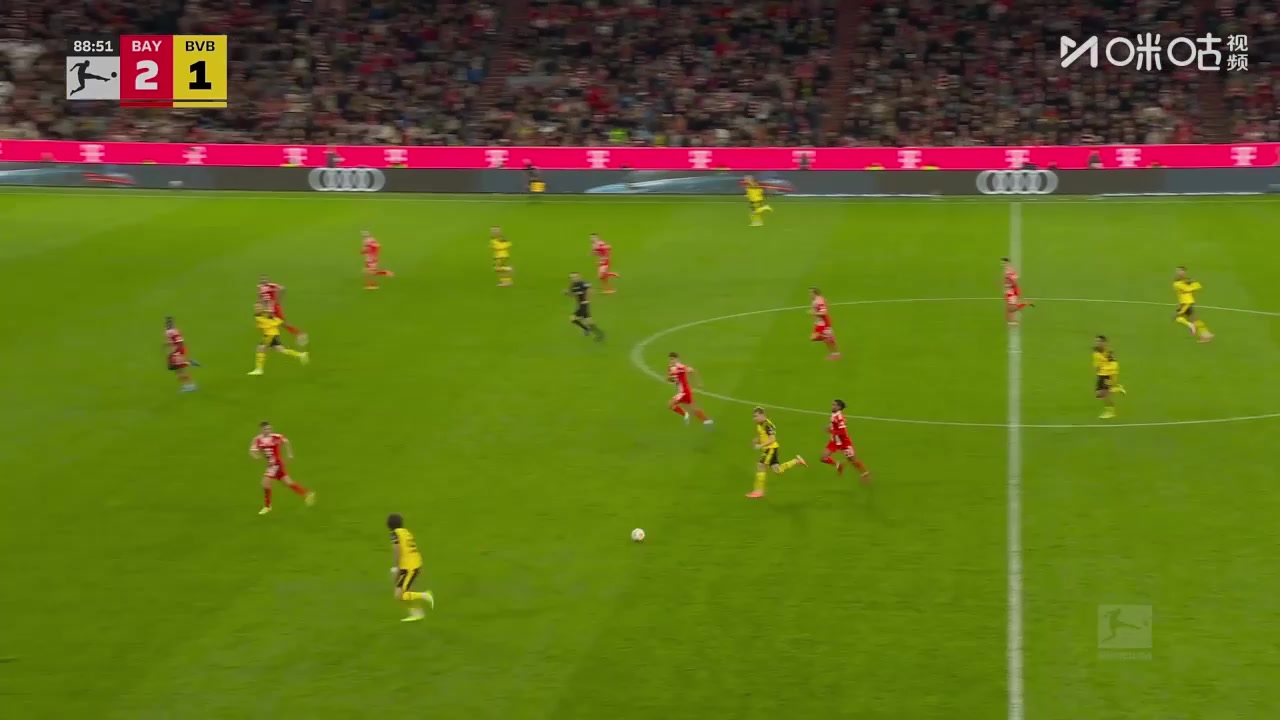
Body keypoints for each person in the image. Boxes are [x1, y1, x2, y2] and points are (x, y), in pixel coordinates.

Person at [249, 421, 315, 514]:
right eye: (266, 429)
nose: (268, 430)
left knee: (265, 483)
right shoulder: (257, 439)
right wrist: (255, 455)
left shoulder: (276, 437)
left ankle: (267, 506)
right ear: (261, 430)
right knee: (288, 482)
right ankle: (307, 494)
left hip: (277, 464)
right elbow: (252, 450)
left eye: (269, 428)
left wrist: (290, 454)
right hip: (270, 465)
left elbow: (286, 442)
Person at [746, 407, 806, 498]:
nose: (754, 418)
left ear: (762, 415)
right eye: (753, 416)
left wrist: (760, 445)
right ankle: (796, 461)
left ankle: (758, 491)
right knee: (777, 470)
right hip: (769, 449)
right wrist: (755, 441)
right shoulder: (760, 424)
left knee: (761, 466)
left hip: (771, 449)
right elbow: (761, 436)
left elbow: (772, 439)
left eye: (756, 416)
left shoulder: (768, 425)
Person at [387, 513, 434, 623]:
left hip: (409, 567)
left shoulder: (395, 534)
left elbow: (397, 550)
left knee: (401, 595)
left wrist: (396, 567)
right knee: (404, 593)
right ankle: (417, 613)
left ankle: (425, 595)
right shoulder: (406, 532)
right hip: (412, 564)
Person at [248, 302, 309, 375]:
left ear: (262, 308)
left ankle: (259, 370)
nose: (256, 308)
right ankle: (301, 355)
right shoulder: (260, 315)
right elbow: (275, 319)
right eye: (255, 307)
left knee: (260, 348)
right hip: (274, 335)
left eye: (257, 307)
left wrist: (268, 311)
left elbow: (270, 315)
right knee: (280, 349)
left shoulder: (263, 315)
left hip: (270, 335)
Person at [819, 400, 871, 481]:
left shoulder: (839, 417)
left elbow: (842, 432)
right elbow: (836, 423)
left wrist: (830, 431)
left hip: (844, 443)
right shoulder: (834, 414)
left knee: (852, 460)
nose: (832, 406)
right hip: (834, 441)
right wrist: (830, 426)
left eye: (835, 405)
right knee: (823, 458)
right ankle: (839, 465)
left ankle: (865, 474)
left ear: (839, 407)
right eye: (832, 405)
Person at [666, 352, 712, 425]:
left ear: (677, 359)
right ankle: (706, 421)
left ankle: (686, 415)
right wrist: (671, 379)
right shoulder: (670, 367)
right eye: (670, 359)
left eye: (672, 359)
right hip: (683, 391)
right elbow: (669, 379)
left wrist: (698, 382)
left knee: (670, 404)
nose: (671, 361)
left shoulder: (680, 367)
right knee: (693, 408)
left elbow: (692, 371)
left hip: (684, 391)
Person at [257, 276, 306, 344]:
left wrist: (278, 300)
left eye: (265, 279)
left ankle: (298, 333)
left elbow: (282, 289)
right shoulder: (260, 287)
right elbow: (260, 297)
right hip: (267, 310)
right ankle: (272, 340)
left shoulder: (271, 285)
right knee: (272, 323)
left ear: (267, 280)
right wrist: (260, 304)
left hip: (274, 308)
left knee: (282, 323)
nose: (263, 280)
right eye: (262, 279)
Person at [1173, 266, 1212, 342]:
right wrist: (1191, 284)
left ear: (1184, 272)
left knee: (1177, 317)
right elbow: (1186, 288)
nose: (1178, 273)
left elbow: (1197, 286)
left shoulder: (1185, 282)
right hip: (1186, 303)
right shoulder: (1177, 283)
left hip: (1186, 303)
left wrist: (1191, 283)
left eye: (1180, 271)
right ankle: (1206, 335)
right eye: (1177, 271)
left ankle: (1191, 326)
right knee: (1194, 319)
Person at [1092, 335, 1125, 419]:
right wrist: (1098, 372)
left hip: (1108, 374)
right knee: (1098, 395)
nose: (1097, 343)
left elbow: (1114, 365)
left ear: (1104, 343)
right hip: (1101, 374)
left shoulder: (1109, 352)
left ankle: (1110, 412)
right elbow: (1097, 365)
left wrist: (1111, 377)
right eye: (1096, 341)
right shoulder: (1095, 352)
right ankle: (1117, 388)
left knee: (1104, 394)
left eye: (1099, 341)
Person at [164, 316, 200, 391]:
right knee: (177, 370)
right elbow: (172, 341)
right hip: (177, 351)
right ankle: (187, 385)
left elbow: (179, 342)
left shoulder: (171, 332)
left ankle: (190, 385)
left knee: (180, 369)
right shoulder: (171, 331)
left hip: (178, 351)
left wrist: (174, 353)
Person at [565, 272, 604, 340]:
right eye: (571, 277)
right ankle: (599, 334)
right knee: (588, 320)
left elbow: (590, 290)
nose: (573, 278)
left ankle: (586, 329)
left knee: (573, 318)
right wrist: (567, 293)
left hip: (584, 304)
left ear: (579, 277)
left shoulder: (583, 283)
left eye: (574, 277)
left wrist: (587, 300)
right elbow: (572, 295)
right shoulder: (573, 285)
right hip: (580, 304)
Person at [809, 287, 839, 359]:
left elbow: (824, 312)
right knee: (815, 338)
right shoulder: (815, 300)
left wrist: (814, 313)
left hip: (824, 324)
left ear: (815, 293)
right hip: (819, 323)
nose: (809, 294)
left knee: (828, 339)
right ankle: (833, 353)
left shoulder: (819, 301)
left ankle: (836, 354)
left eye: (810, 292)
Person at [1002, 258, 1032, 325]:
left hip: (1012, 290)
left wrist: (1009, 286)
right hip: (1011, 290)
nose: (1003, 264)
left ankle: (1024, 304)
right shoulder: (1007, 270)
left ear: (1007, 263)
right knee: (1009, 306)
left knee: (1010, 307)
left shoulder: (1010, 271)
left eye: (1004, 262)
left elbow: (1014, 282)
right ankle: (1011, 321)